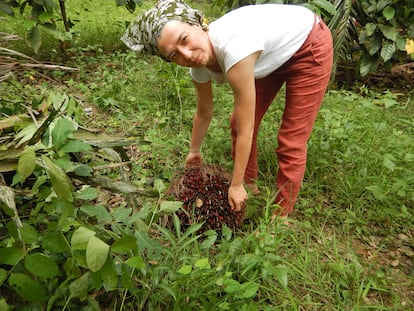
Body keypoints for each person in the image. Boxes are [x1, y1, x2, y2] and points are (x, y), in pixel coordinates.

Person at [121, 0, 333, 220]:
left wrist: (235, 183)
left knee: (291, 140)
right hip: (269, 53)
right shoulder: (199, 66)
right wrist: (194, 150)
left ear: (197, 24)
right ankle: (251, 186)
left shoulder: (234, 47)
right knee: (235, 122)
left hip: (308, 45)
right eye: (175, 55)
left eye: (184, 39)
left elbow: (246, 128)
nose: (188, 54)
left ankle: (280, 215)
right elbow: (204, 112)